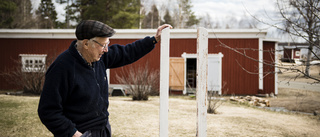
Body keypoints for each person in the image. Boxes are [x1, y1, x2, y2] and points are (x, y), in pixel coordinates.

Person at [38, 20, 172, 137]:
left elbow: (128, 52)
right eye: (103, 45)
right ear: (85, 44)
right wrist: (73, 133)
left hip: (102, 129)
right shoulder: (62, 67)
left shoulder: (99, 58)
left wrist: (154, 39)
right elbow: (48, 111)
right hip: (80, 132)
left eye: (108, 44)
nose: (106, 50)